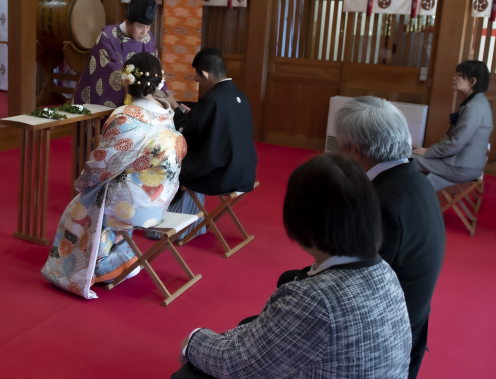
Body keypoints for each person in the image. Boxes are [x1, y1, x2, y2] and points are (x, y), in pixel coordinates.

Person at [174, 153, 412, 379]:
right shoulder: (385, 272)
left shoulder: (315, 300)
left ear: (302, 220)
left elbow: (237, 365)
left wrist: (194, 341)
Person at [41, 53, 186, 299]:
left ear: (127, 82)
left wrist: (83, 183)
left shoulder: (125, 116)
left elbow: (102, 163)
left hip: (130, 206)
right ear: (159, 81)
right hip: (159, 198)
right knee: (114, 189)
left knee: (81, 206)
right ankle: (119, 260)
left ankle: (92, 270)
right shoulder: (166, 112)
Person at [333, 96, 445, 379]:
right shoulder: (415, 179)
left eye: (339, 146)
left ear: (356, 151)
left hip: (384, 341)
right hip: (413, 320)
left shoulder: (385, 205)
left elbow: (357, 289)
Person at [152, 49, 257, 240]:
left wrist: (174, 107)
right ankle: (195, 225)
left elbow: (188, 130)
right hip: (245, 171)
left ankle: (170, 227)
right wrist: (184, 108)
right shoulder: (239, 96)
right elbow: (212, 121)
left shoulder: (213, 99)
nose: (199, 83)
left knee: (171, 164)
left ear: (206, 74)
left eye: (199, 78)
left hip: (223, 175)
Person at [73, 0, 164, 107]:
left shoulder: (147, 38)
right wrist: (138, 86)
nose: (145, 32)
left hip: (143, 99)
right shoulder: (107, 38)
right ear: (127, 23)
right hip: (116, 102)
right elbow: (113, 73)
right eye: (140, 27)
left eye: (148, 27)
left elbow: (155, 67)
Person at [413, 60, 493, 191]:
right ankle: (420, 192)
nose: (454, 78)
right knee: (414, 157)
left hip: (462, 167)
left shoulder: (474, 108)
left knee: (409, 160)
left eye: (460, 75)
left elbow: (455, 144)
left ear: (472, 82)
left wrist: (428, 151)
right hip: (465, 164)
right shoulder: (478, 102)